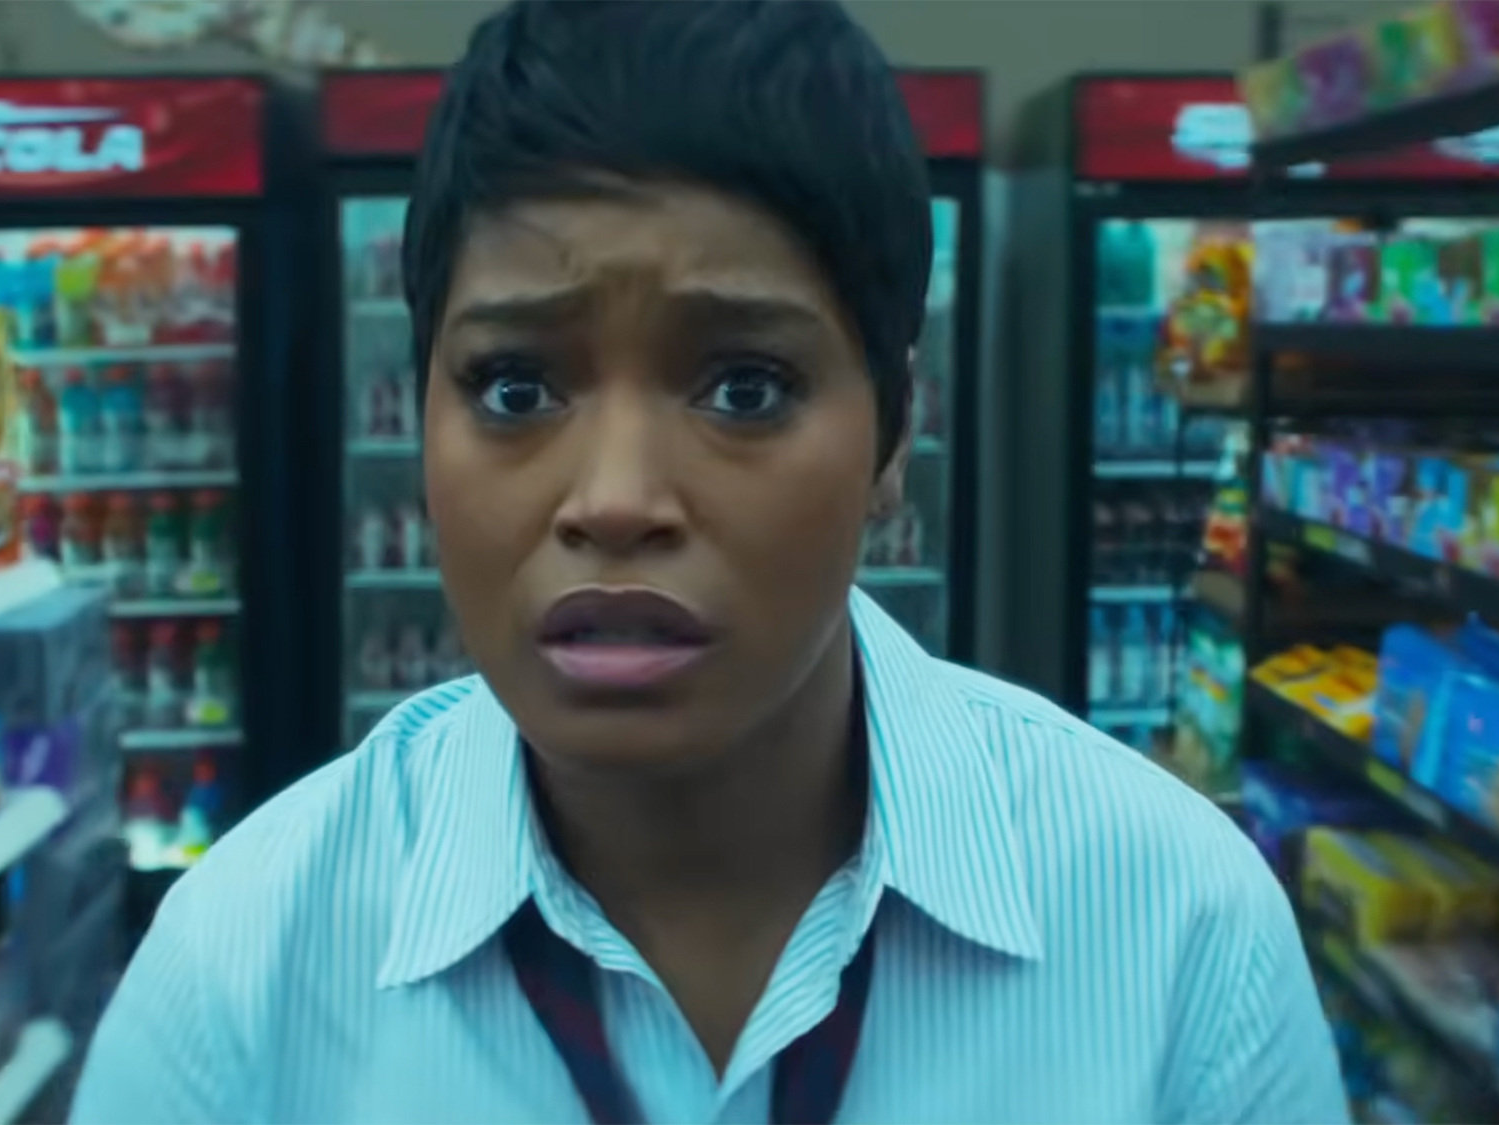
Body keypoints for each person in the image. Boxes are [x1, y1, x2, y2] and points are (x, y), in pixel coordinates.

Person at [71, 2, 1349, 1121]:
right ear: (418, 417)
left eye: (744, 386)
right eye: (514, 387)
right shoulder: (238, 973)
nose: (615, 501)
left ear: (894, 430)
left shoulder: (1177, 930)